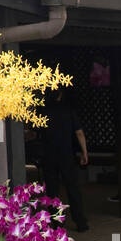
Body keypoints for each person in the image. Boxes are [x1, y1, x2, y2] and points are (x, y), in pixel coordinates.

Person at [44, 99, 90, 232]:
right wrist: (84, 152)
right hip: (66, 154)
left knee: (52, 190)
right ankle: (80, 221)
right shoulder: (68, 111)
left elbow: (32, 133)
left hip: (49, 155)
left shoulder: (42, 111)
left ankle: (56, 222)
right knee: (73, 188)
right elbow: (79, 133)